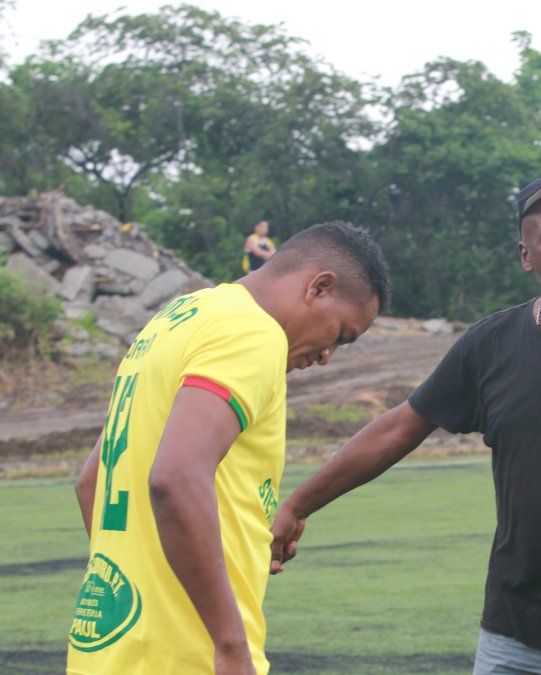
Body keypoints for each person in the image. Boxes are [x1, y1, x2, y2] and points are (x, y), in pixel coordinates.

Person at [269, 172, 541, 674]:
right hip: (510, 635)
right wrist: (298, 505)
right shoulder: (492, 344)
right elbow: (398, 429)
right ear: (526, 256)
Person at [67, 222, 389, 675]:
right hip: (185, 654)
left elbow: (91, 483)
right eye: (340, 334)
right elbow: (176, 477)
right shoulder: (252, 333)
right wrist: (230, 645)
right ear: (319, 287)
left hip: (110, 648)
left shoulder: (178, 316)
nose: (326, 357)